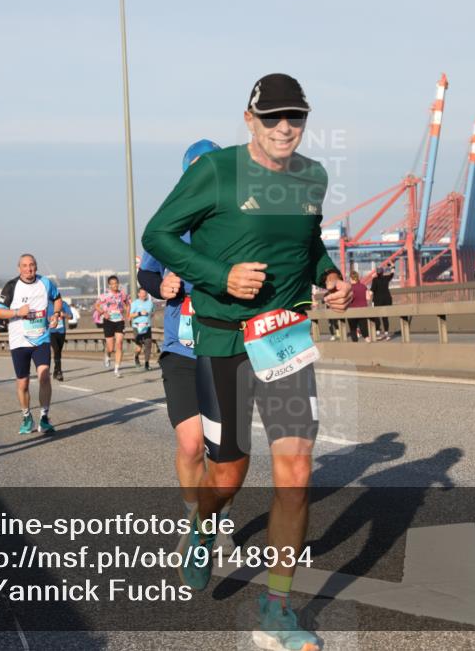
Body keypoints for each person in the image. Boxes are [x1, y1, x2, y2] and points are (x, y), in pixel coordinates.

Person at [142, 73, 352, 651]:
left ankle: (276, 607)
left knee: (297, 474)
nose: (285, 128)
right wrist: (217, 276)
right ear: (249, 119)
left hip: (284, 341)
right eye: (272, 118)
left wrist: (329, 276)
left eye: (296, 117)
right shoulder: (214, 172)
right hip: (221, 342)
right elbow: (157, 234)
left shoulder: (312, 175)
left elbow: (307, 246)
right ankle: (204, 525)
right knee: (228, 473)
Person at [138, 138, 237, 555]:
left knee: (223, 453)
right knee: (191, 444)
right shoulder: (169, 224)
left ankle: (216, 519)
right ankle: (194, 516)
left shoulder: (236, 225)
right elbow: (146, 276)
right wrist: (161, 286)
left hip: (224, 349)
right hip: (180, 350)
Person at [0, 255, 62, 435]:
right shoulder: (11, 286)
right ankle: (26, 416)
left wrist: (55, 314)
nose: (28, 269)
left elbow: (58, 298)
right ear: (19, 268)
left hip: (41, 338)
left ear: (36, 267)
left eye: (31, 265)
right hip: (19, 341)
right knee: (23, 383)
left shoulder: (46, 283)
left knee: (44, 376)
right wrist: (17, 312)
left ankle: (45, 417)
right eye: (24, 266)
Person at [95, 275, 130, 378]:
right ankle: (107, 354)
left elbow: (127, 304)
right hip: (108, 321)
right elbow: (96, 305)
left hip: (119, 321)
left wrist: (127, 314)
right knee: (110, 348)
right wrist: (103, 312)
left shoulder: (122, 294)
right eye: (113, 284)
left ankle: (116, 369)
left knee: (119, 344)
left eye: (116, 283)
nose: (115, 285)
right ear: (109, 285)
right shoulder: (104, 295)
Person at [130, 287, 154, 371]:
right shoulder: (135, 303)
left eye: (145, 293)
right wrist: (140, 313)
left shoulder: (150, 303)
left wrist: (149, 316)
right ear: (138, 294)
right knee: (139, 347)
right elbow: (130, 315)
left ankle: (147, 364)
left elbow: (152, 313)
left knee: (148, 345)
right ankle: (136, 357)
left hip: (147, 327)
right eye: (142, 293)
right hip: (137, 327)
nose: (143, 295)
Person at [370, 265, 394, 340]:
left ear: (377, 273)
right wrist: (393, 267)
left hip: (378, 300)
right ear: (383, 272)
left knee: (376, 315)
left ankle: (378, 331)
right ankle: (386, 332)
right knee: (385, 316)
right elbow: (392, 274)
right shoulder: (386, 278)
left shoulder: (375, 280)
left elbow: (372, 290)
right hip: (387, 299)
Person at [347, 270, 371, 342]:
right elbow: (368, 298)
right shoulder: (363, 286)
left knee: (353, 329)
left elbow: (350, 299)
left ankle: (355, 346)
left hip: (352, 311)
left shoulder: (350, 287)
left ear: (351, 278)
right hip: (363, 310)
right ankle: (369, 343)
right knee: (364, 330)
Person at [48, 294, 67, 381]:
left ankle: (56, 370)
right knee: (56, 350)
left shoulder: (64, 304)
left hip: (61, 332)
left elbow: (71, 316)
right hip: (51, 332)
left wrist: (64, 315)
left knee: (58, 352)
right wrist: (48, 319)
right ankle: (59, 371)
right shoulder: (46, 305)